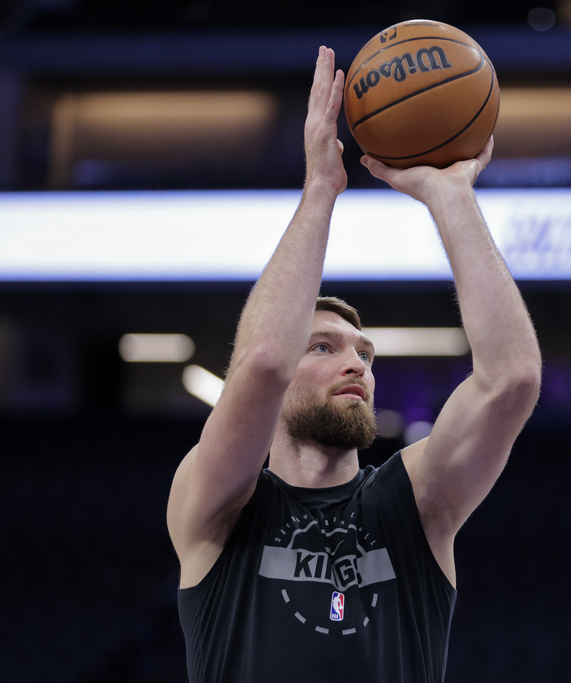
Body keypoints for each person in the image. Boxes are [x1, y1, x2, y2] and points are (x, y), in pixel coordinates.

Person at [166, 46, 542, 683]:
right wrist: (319, 191)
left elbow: (512, 379)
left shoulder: (415, 503)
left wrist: (451, 195)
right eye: (324, 347)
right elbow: (260, 361)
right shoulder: (220, 505)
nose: (357, 364)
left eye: (365, 353)